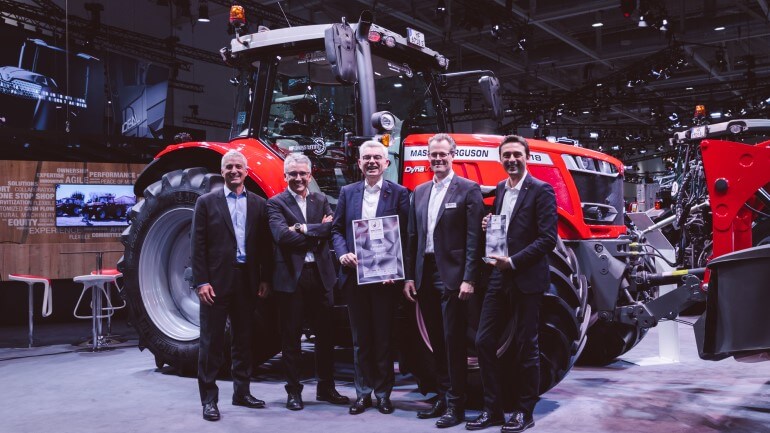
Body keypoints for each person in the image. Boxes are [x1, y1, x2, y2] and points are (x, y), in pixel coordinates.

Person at [466, 135, 557, 433]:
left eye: (517, 154)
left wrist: (514, 261)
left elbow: (547, 239)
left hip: (525, 277)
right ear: (500, 159)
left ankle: (523, 412)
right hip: (498, 276)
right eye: (506, 155)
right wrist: (489, 225)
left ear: (526, 157)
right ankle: (492, 410)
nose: (511, 160)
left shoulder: (541, 190)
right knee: (483, 341)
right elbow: (506, 229)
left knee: (525, 345)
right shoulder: (502, 189)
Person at [403, 133, 483, 428]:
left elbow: (474, 239)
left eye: (443, 154)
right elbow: (412, 237)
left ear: (452, 155)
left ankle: (457, 404)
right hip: (425, 273)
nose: (438, 159)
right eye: (433, 154)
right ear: (429, 157)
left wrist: (469, 278)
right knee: (436, 341)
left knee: (453, 341)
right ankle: (442, 395)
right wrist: (410, 276)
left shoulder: (468, 189)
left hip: (452, 275)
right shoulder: (420, 191)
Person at [191, 149, 272, 422]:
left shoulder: (259, 204)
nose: (234, 171)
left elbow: (264, 246)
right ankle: (209, 400)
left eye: (238, 167)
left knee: (244, 341)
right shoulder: (206, 202)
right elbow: (197, 245)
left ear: (246, 172)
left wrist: (265, 278)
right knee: (211, 343)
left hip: (247, 281)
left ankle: (242, 392)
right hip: (215, 283)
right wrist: (201, 281)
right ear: (222, 171)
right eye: (229, 167)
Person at [332, 140, 409, 415]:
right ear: (359, 163)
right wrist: (343, 253)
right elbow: (337, 230)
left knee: (383, 339)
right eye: (367, 158)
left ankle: (383, 394)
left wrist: (395, 269)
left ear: (386, 163)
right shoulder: (347, 192)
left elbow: (405, 234)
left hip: (385, 280)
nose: (372, 162)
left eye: (377, 157)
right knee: (361, 340)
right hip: (355, 278)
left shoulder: (399, 193)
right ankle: (363, 394)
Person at [267, 153, 350, 411]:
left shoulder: (321, 199)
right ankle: (294, 392)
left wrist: (301, 229)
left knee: (325, 336)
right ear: (285, 176)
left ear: (310, 175)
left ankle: (326, 388)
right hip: (293, 278)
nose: (299, 178)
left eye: (303, 173)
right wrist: (317, 231)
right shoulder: (275, 204)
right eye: (293, 174)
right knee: (291, 338)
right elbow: (282, 237)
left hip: (321, 276)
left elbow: (331, 229)